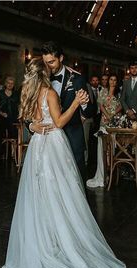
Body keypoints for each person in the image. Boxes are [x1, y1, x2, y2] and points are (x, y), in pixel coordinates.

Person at [2, 57, 128, 268]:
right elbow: (59, 122)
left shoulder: (29, 91)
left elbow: (27, 119)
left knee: (41, 194)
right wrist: (75, 104)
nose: (52, 69)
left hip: (37, 145)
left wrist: (32, 126)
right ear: (44, 72)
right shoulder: (49, 92)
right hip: (53, 146)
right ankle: (59, 242)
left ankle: (45, 241)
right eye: (48, 67)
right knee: (63, 193)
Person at [29, 41, 94, 182]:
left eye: (51, 62)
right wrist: (31, 126)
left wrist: (82, 104)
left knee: (77, 179)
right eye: (45, 62)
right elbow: (28, 106)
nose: (48, 66)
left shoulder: (77, 79)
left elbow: (90, 111)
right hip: (48, 140)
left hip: (72, 135)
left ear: (61, 58)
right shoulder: (40, 78)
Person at [87, 74, 122, 188]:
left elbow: (121, 106)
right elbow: (100, 105)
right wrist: (108, 115)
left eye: (114, 79)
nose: (112, 81)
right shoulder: (103, 91)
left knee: (111, 151)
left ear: (117, 82)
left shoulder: (118, 93)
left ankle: (110, 175)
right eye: (111, 79)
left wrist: (113, 114)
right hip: (104, 123)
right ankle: (102, 176)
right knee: (102, 150)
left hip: (114, 124)